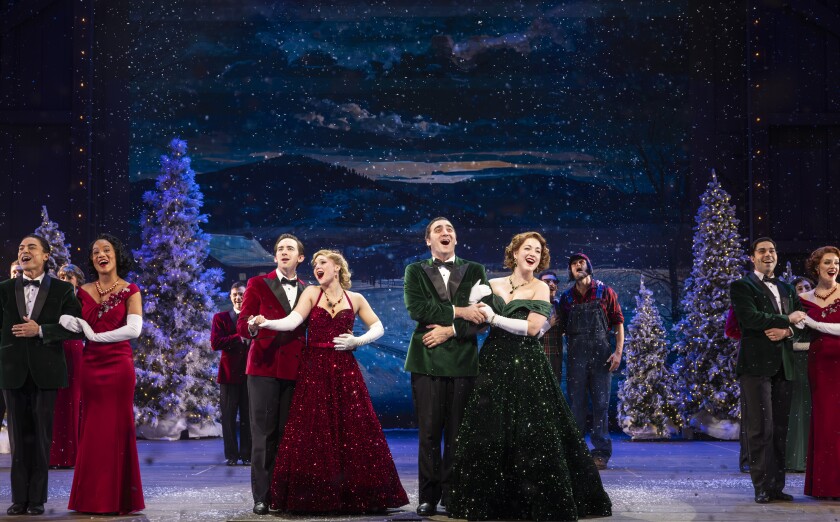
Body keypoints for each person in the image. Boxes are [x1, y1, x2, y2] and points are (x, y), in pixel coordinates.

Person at [448, 232, 612, 521]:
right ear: (515, 252)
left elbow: (533, 328)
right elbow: (479, 324)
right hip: (494, 361)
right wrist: (471, 306)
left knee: (533, 430)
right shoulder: (493, 283)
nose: (533, 253)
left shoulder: (540, 288)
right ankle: (489, 499)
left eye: (538, 249)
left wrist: (494, 317)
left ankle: (533, 497)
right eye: (528, 247)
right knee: (489, 428)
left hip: (527, 362)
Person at [251, 250, 408, 512]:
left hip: (345, 369)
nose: (317, 267)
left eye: (322, 263)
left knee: (353, 431)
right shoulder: (311, 293)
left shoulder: (355, 298)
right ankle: (314, 492)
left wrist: (357, 341)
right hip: (315, 368)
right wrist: (267, 322)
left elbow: (378, 327)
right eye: (314, 264)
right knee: (315, 431)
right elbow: (293, 322)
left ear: (337, 268)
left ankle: (353, 492)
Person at [403, 217, 488, 517]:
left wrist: (449, 329)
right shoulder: (415, 270)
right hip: (426, 360)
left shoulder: (475, 270)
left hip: (463, 361)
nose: (445, 232)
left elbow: (482, 317)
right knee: (428, 433)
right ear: (428, 241)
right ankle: (428, 495)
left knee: (457, 434)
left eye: (450, 229)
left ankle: (453, 494)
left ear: (456, 239)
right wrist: (461, 311)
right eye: (438, 230)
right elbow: (418, 309)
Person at [59, 234, 144, 514]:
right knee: (93, 431)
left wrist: (95, 335)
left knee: (117, 429)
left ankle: (118, 498)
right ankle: (89, 498)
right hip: (91, 367)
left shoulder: (131, 290)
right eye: (95, 251)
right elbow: (64, 318)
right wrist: (69, 321)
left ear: (117, 255)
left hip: (119, 366)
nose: (100, 255)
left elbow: (134, 330)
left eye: (106, 250)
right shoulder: (81, 290)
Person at [0, 235, 81, 516]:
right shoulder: (4, 289)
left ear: (46, 255)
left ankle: (37, 499)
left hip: (46, 371)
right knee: (18, 437)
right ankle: (18, 498)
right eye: (20, 247)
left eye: (31, 247)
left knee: (41, 437)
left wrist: (42, 331)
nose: (24, 251)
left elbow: (76, 327)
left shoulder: (62, 290)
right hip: (12, 372)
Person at [730, 237, 806, 504]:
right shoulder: (742, 286)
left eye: (772, 250)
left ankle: (776, 486)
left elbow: (802, 320)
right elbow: (749, 318)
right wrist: (787, 319)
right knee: (760, 429)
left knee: (780, 428)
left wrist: (786, 329)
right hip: (755, 366)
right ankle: (761, 486)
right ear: (753, 257)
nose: (768, 254)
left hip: (783, 365)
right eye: (762, 251)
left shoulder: (786, 287)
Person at [236, 233, 307, 516]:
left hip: (296, 369)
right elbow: (243, 324)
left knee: (286, 434)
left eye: (290, 248)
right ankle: (262, 497)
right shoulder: (258, 284)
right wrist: (253, 327)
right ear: (275, 257)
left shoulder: (307, 289)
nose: (284, 252)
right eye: (280, 249)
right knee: (263, 434)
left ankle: (282, 493)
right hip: (264, 368)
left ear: (300, 258)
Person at [557, 252, 624, 470]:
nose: (578, 266)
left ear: (589, 267)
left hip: (601, 356)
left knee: (601, 405)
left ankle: (601, 452)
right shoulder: (566, 298)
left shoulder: (606, 292)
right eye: (574, 264)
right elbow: (561, 329)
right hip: (576, 357)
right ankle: (576, 452)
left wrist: (618, 352)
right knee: (576, 405)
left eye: (581, 262)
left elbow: (618, 323)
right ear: (570, 271)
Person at [798, 246, 840, 498]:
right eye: (827, 262)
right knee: (826, 421)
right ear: (816, 267)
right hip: (820, 365)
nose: (833, 265)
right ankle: (825, 485)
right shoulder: (805, 298)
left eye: (836, 262)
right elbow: (794, 324)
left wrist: (812, 322)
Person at [49, 264, 86, 469]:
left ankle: (73, 455)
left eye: (69, 277)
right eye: (62, 276)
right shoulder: (54, 298)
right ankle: (55, 455)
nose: (65, 279)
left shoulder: (82, 299)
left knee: (74, 399)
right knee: (57, 401)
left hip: (74, 351)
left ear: (77, 280)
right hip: (56, 349)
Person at [210, 282, 251, 467]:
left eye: (241, 294)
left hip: (250, 375)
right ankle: (231, 455)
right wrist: (238, 338)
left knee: (248, 417)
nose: (238, 298)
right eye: (234, 294)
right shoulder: (220, 318)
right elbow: (215, 343)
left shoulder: (253, 318)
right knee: (228, 417)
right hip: (228, 376)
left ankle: (247, 455)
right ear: (230, 297)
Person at [786, 276, 814, 473]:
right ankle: (795, 459)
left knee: (813, 409)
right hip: (796, 364)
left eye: (807, 287)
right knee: (797, 409)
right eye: (799, 287)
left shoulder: (816, 309)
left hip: (815, 363)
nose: (803, 289)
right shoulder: (790, 312)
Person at [539, 271, 563, 384]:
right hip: (538, 357)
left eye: (554, 281)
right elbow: (528, 334)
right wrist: (548, 324)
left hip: (556, 357)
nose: (552, 284)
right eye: (547, 281)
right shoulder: (533, 305)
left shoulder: (559, 305)